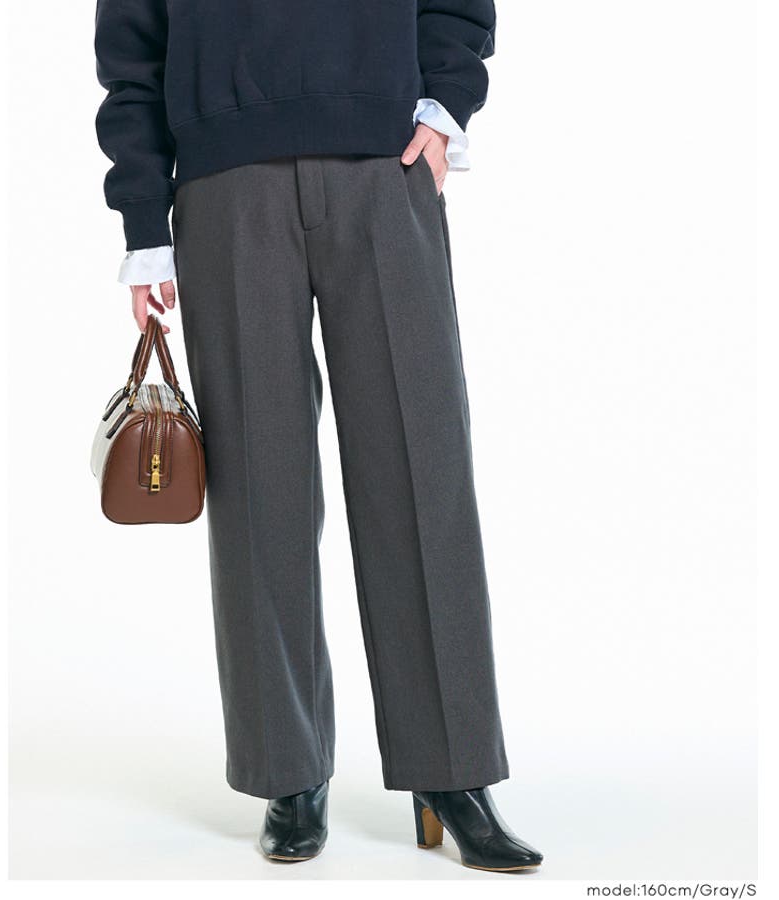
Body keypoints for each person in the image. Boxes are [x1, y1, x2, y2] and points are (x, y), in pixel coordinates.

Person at [94, 0, 543, 872]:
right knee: (260, 491)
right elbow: (131, 50)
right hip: (226, 189)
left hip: (385, 167)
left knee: (423, 473)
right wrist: (144, 223)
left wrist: (444, 106)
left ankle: (451, 772)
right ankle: (289, 772)